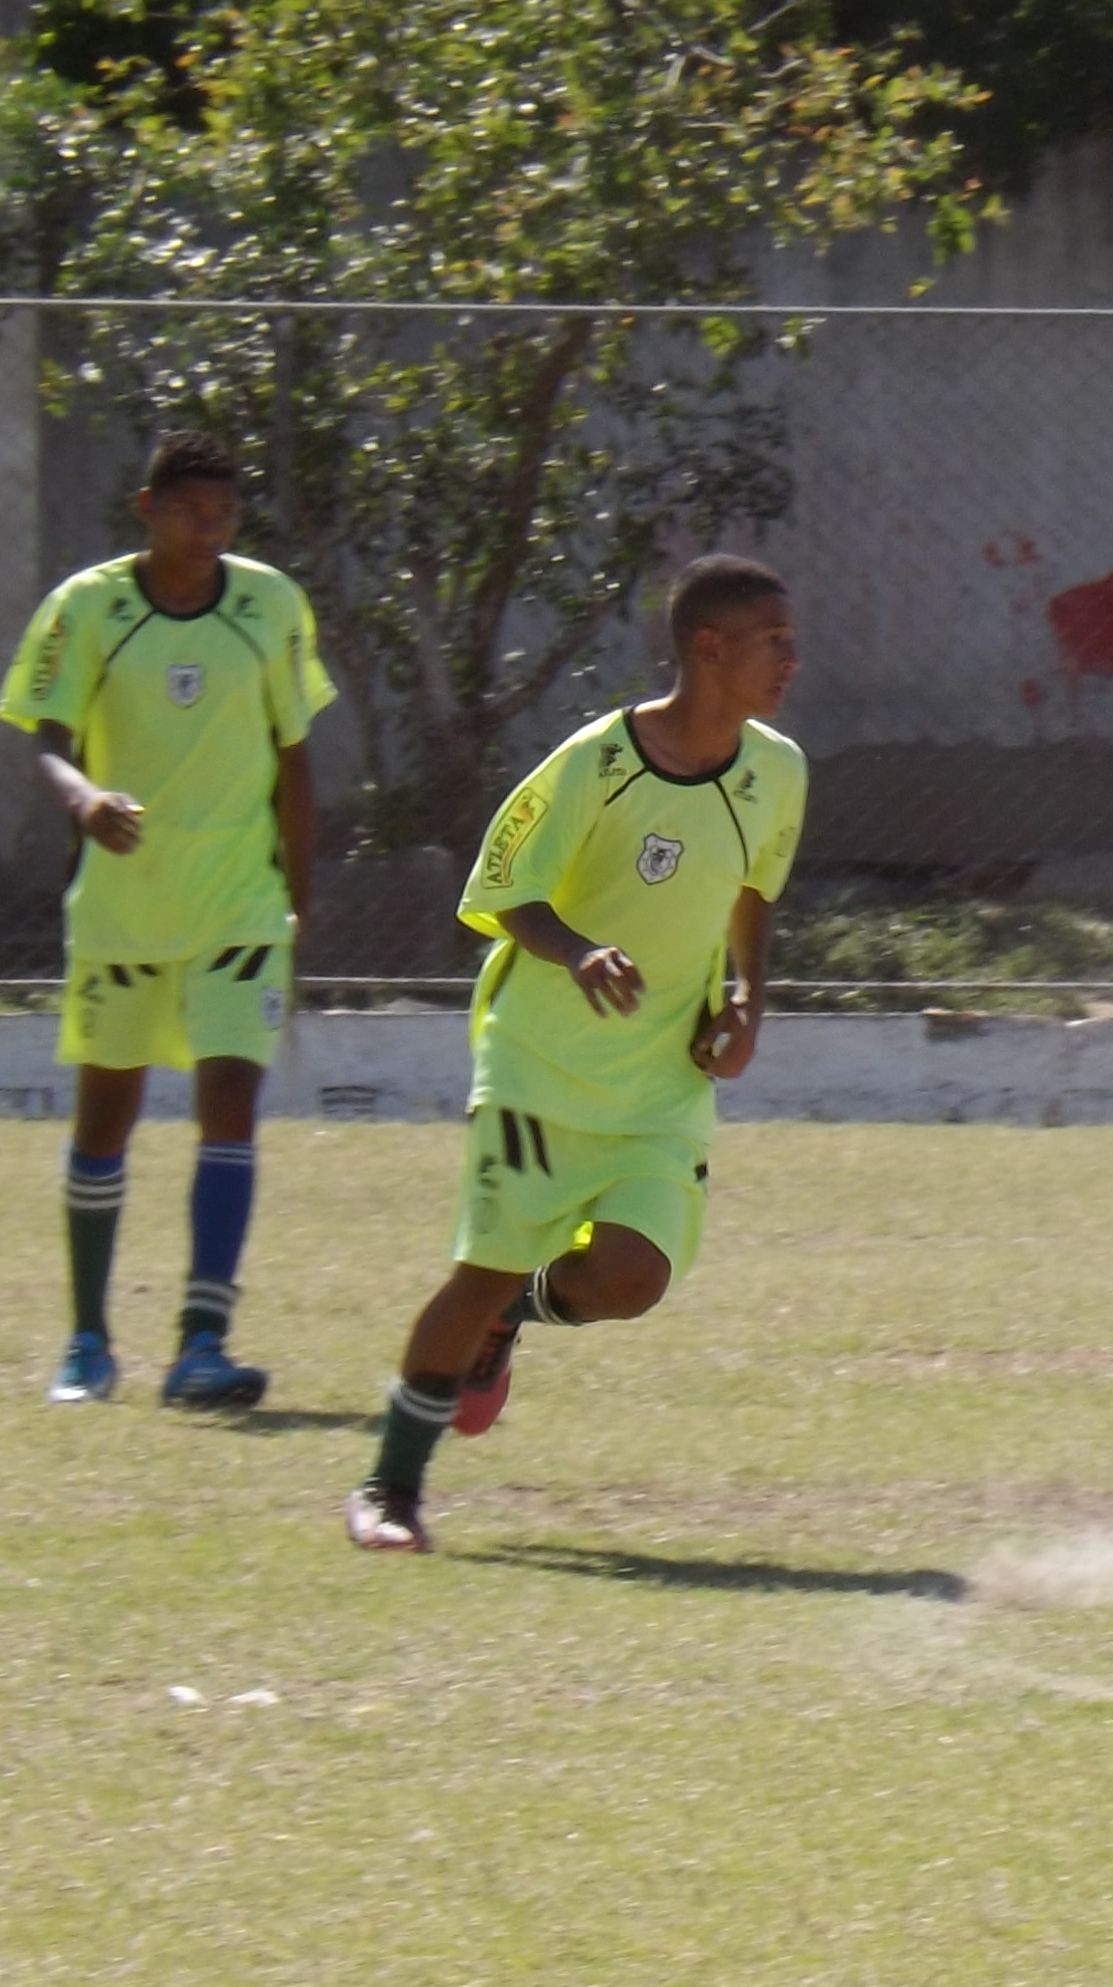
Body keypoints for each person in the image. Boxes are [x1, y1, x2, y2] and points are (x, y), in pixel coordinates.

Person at [345, 555, 810, 1552]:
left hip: (660, 1081)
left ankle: (518, 1308)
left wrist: (745, 1000)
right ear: (708, 647)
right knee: (474, 1277)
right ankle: (389, 1490)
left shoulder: (778, 769)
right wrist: (578, 948)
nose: (791, 658)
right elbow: (502, 888)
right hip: (538, 1068)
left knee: (631, 1279)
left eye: (791, 639)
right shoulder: (595, 762)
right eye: (773, 639)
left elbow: (753, 893)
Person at [7, 430, 333, 1409]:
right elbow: (46, 740)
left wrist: (296, 907)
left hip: (237, 906)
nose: (210, 525)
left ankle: (201, 1343)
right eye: (192, 508)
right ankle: (87, 1343)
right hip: (123, 911)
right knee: (106, 1114)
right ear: (148, 509)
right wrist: (83, 799)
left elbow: (295, 759)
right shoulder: (87, 606)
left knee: (230, 1102)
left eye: (225, 512)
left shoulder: (269, 604)